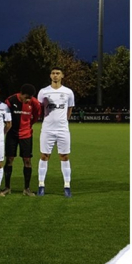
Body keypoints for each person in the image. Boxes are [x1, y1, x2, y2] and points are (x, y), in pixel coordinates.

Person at [37, 67, 75, 197]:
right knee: (44, 156)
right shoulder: (43, 92)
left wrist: (63, 121)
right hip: (47, 129)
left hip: (63, 129)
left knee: (64, 156)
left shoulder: (68, 92)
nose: (55, 76)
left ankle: (67, 185)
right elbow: (39, 108)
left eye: (58, 73)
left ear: (62, 76)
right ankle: (41, 184)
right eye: (53, 73)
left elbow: (69, 109)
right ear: (50, 75)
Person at [4, 84, 41, 196]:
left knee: (27, 161)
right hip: (12, 135)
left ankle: (27, 188)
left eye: (30, 97)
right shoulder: (10, 100)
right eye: (26, 97)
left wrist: (27, 126)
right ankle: (7, 187)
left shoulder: (34, 103)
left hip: (26, 135)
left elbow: (36, 117)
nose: (28, 99)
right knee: (9, 159)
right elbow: (5, 117)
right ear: (21, 94)